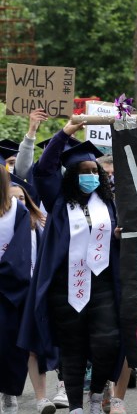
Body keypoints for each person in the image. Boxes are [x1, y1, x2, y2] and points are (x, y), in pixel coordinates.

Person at [25, 122, 124, 414]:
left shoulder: (108, 204)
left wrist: (118, 235)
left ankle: (96, 395)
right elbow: (44, 169)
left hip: (103, 283)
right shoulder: (57, 201)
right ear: (71, 177)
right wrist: (65, 133)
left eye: (95, 172)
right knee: (73, 348)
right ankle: (77, 407)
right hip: (65, 286)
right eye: (84, 172)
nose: (91, 176)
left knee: (108, 342)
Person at [9, 181, 61, 414]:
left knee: (33, 347)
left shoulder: (35, 226)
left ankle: (41, 398)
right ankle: (8, 395)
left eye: (21, 198)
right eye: (10, 198)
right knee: (6, 348)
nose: (16, 203)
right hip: (5, 294)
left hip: (30, 292)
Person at [0, 146, 32, 414]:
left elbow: (21, 252)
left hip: (8, 291)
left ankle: (9, 393)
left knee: (9, 345)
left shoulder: (17, 212)